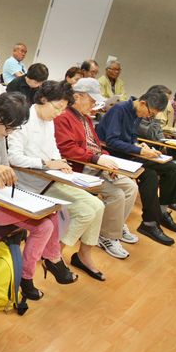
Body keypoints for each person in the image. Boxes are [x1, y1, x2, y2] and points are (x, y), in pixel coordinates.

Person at [0, 92, 74, 299]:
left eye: (13, 129)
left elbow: (4, 165)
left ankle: (27, 276)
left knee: (48, 220)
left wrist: (3, 174)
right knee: (46, 221)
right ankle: (41, 268)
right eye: (8, 128)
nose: (8, 133)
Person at [8, 81, 107, 281]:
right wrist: (47, 163)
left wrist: (60, 162)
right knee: (86, 212)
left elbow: (53, 148)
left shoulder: (49, 120)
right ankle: (54, 255)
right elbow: (13, 158)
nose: (59, 113)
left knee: (98, 205)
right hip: (30, 184)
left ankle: (73, 254)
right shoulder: (24, 119)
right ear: (43, 100)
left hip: (50, 179)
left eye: (63, 109)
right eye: (57, 107)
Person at [54, 78, 140, 259]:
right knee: (116, 194)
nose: (94, 105)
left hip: (94, 165)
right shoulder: (64, 116)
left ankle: (114, 228)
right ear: (77, 97)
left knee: (131, 186)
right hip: (80, 168)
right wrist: (97, 159)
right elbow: (66, 148)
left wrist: (106, 160)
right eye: (91, 100)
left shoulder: (84, 118)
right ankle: (108, 236)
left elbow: (97, 145)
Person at [96, 89, 176, 245]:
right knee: (148, 174)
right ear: (143, 103)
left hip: (128, 152)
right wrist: (140, 150)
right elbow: (112, 141)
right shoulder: (119, 110)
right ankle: (149, 223)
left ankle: (161, 212)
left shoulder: (136, 112)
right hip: (112, 154)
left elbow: (132, 136)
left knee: (171, 168)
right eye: (150, 113)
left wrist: (139, 144)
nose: (148, 117)